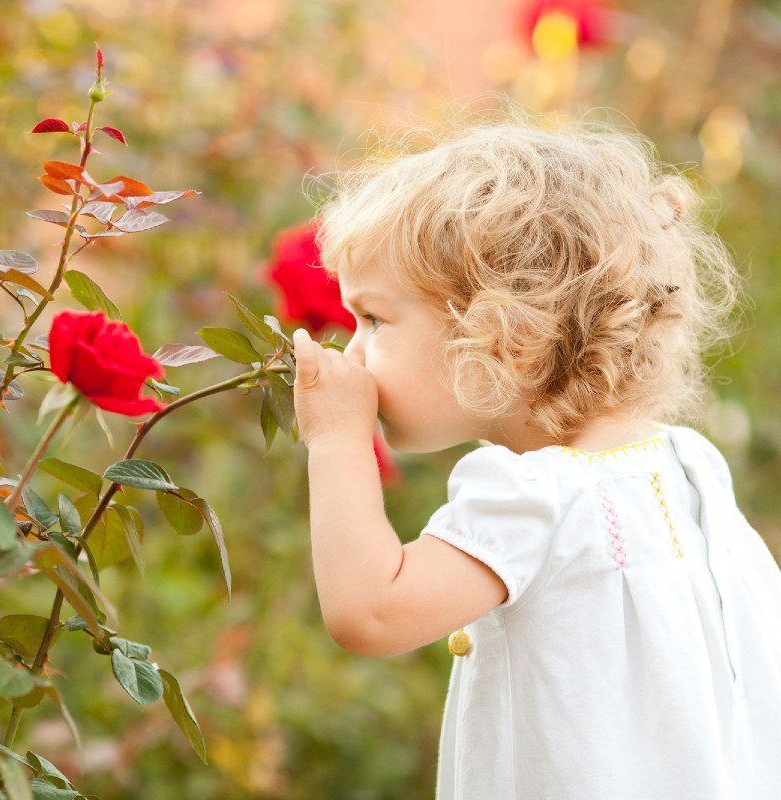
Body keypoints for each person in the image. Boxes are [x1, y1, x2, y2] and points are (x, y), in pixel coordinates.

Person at [290, 120, 781, 799]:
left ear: (506, 336)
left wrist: (336, 440)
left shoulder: (539, 497)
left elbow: (370, 612)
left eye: (374, 320)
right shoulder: (690, 466)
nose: (353, 356)